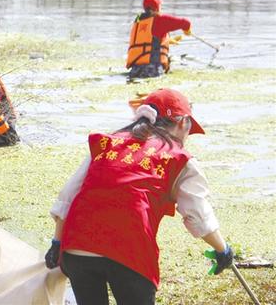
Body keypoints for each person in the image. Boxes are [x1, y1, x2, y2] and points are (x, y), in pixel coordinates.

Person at [45, 88, 233, 305]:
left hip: (78, 247)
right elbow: (198, 215)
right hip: (130, 250)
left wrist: (57, 242)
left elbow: (68, 196)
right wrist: (223, 250)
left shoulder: (108, 143)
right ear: (183, 122)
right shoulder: (179, 158)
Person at [126, 0, 192, 79]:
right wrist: (187, 30)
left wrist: (168, 41)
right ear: (157, 8)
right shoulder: (159, 20)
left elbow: (147, 41)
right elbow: (186, 23)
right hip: (152, 70)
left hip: (134, 70)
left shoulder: (138, 21)